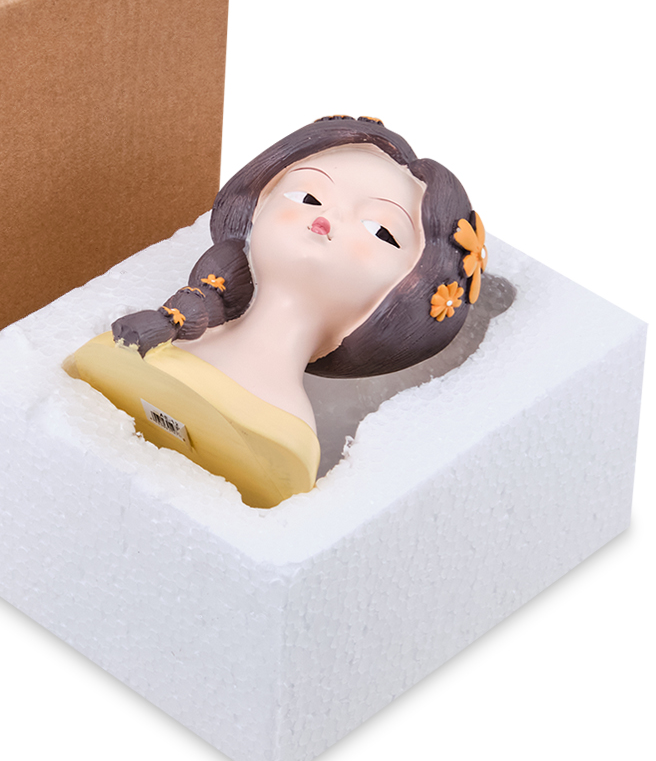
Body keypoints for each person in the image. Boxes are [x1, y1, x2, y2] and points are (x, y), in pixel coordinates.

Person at [65, 116, 487, 508]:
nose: (326, 218)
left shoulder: (284, 442)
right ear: (258, 206)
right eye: (307, 196)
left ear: (410, 291)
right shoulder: (137, 344)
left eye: (380, 230)